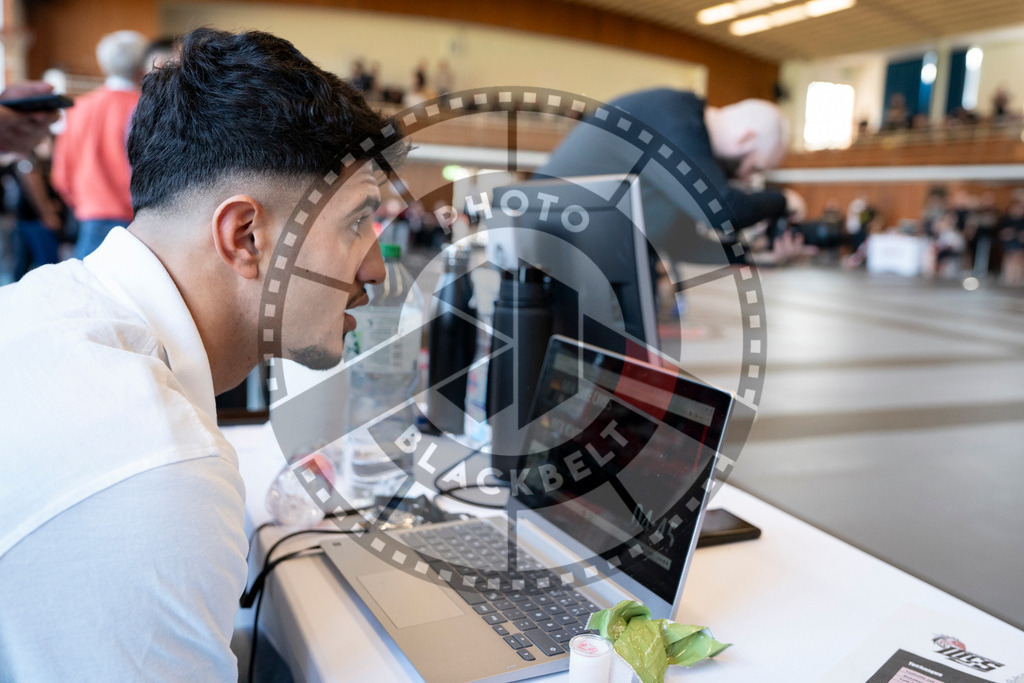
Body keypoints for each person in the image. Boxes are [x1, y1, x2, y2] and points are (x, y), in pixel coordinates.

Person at [0, 27, 405, 680]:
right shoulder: (158, 470)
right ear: (245, 236)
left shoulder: (44, 309)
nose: (377, 270)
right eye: (358, 222)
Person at [537, 88, 806, 269]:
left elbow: (679, 242)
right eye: (754, 168)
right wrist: (784, 200)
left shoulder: (680, 146)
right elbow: (721, 210)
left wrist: (756, 254)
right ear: (745, 139)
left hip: (578, 258)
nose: (748, 179)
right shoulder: (675, 117)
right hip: (548, 255)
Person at [51, 29, 147, 259]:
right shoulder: (145, 107)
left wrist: (84, 202)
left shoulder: (79, 108)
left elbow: (61, 175)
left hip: (91, 217)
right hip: (138, 220)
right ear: (141, 64)